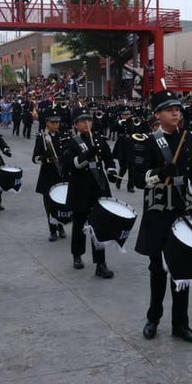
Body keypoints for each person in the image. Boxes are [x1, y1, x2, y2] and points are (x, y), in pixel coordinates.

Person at [133, 88, 192, 343]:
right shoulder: (148, 141)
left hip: (183, 208)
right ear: (157, 114)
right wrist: (160, 171)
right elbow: (137, 179)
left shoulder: (188, 138)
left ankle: (181, 324)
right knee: (158, 271)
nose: (176, 112)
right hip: (157, 210)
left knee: (182, 270)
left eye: (177, 108)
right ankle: (153, 318)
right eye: (169, 109)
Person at [61, 107, 119, 277]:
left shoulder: (100, 140)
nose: (87, 123)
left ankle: (100, 263)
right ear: (75, 125)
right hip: (80, 189)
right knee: (79, 225)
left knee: (98, 226)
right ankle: (77, 255)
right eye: (82, 121)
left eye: (89, 120)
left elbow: (109, 160)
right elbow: (71, 166)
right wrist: (87, 155)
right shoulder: (71, 142)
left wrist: (112, 171)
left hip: (98, 188)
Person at [32, 115, 67, 242]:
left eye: (57, 122)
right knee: (50, 206)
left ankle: (61, 226)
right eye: (52, 122)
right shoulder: (41, 137)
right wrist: (43, 157)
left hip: (61, 174)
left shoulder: (63, 136)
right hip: (48, 175)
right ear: (47, 123)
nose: (55, 125)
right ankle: (52, 230)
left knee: (62, 204)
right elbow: (34, 158)